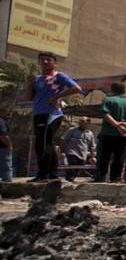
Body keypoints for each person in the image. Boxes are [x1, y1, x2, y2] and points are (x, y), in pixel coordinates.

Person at [28, 52, 81, 181]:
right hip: (38, 113)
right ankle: (51, 174)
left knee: (44, 142)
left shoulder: (59, 76)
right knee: (44, 143)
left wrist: (56, 97)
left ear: (54, 63)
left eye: (48, 60)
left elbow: (76, 88)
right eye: (42, 60)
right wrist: (29, 84)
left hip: (52, 114)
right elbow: (29, 97)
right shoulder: (37, 79)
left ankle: (44, 174)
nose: (45, 62)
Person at [95, 82, 126, 183]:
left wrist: (117, 125)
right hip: (124, 135)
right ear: (124, 90)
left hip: (108, 134)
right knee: (119, 157)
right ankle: (115, 178)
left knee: (103, 156)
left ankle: (101, 178)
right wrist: (125, 124)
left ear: (112, 90)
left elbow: (105, 114)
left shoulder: (108, 100)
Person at [60, 117, 96, 182]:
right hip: (72, 152)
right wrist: (62, 151)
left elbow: (92, 146)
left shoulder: (90, 133)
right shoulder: (72, 130)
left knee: (79, 169)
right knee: (72, 168)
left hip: (83, 155)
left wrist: (93, 156)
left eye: (84, 122)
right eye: (81, 122)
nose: (81, 123)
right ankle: (69, 180)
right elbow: (63, 140)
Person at [0, 111, 12, 182]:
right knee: (6, 170)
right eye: (8, 113)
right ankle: (7, 188)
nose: (10, 116)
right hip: (2, 148)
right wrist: (9, 146)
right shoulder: (1, 121)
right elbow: (3, 136)